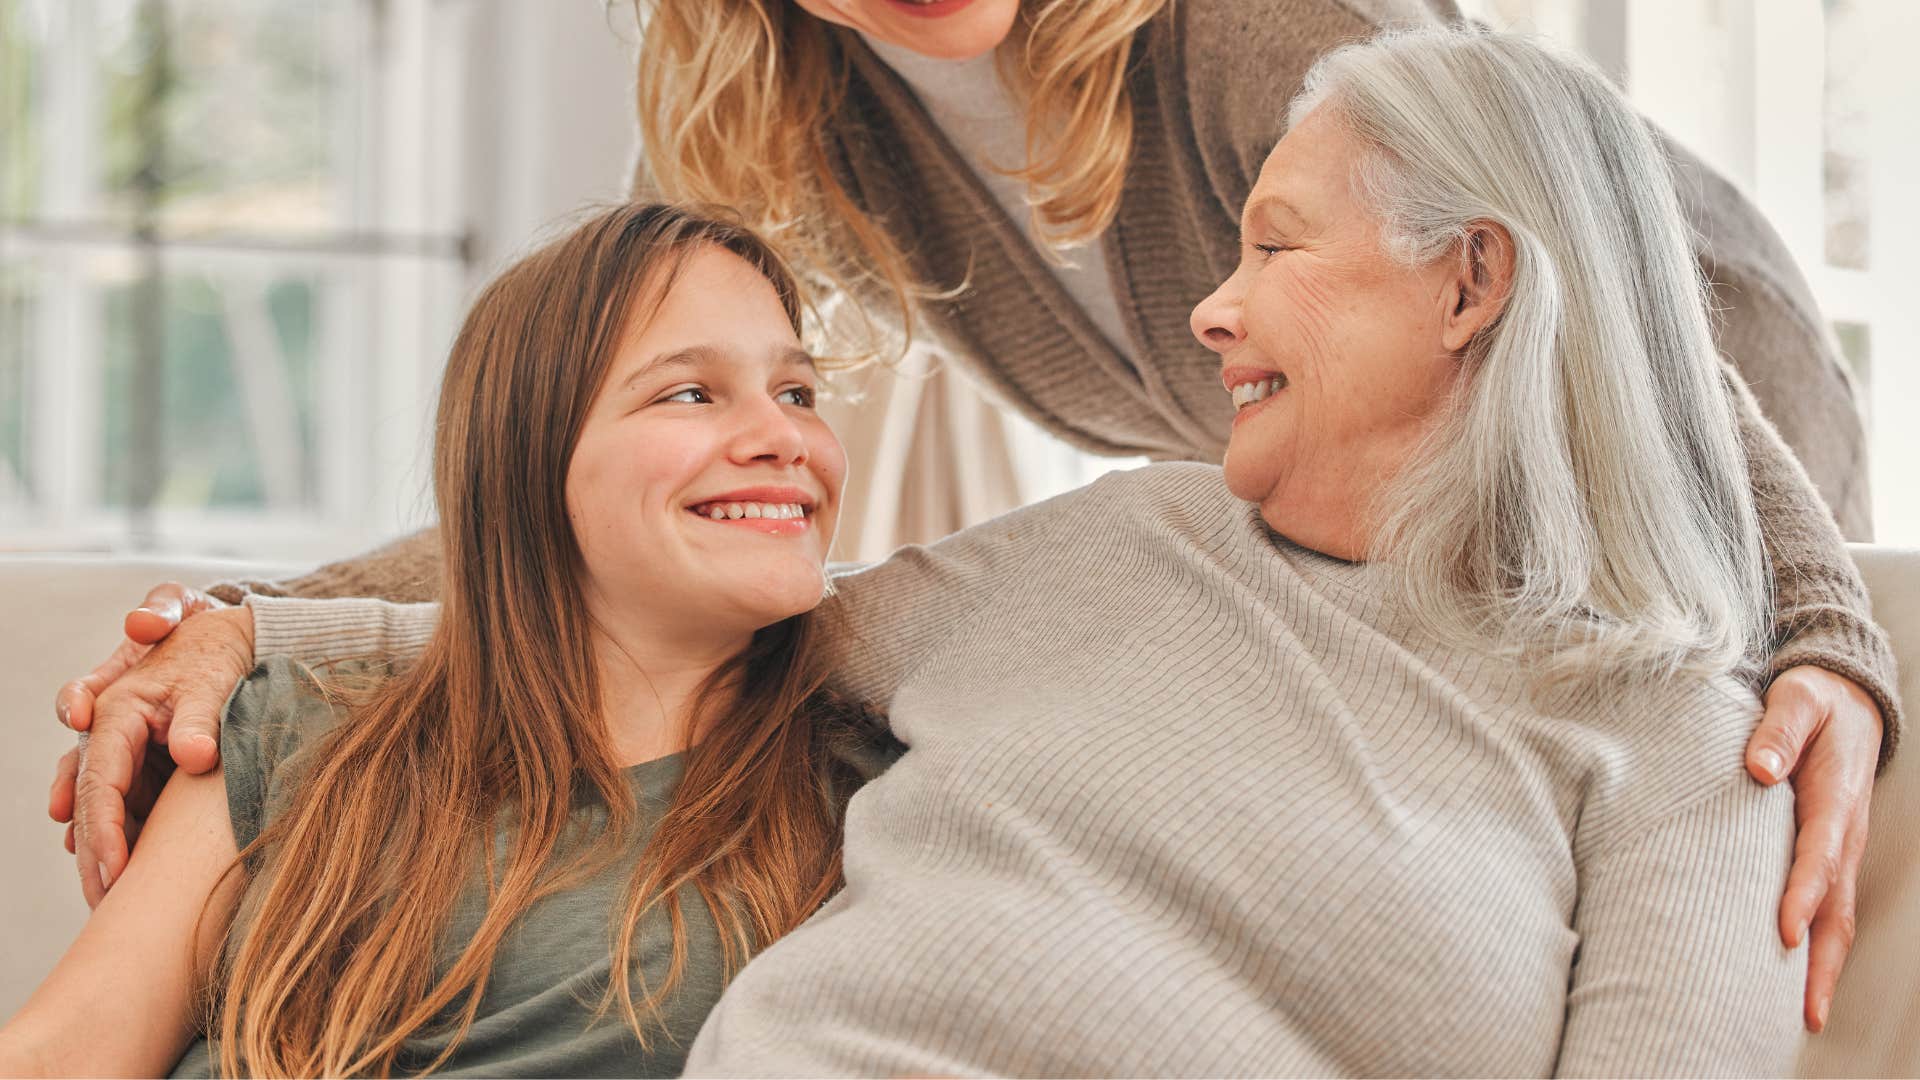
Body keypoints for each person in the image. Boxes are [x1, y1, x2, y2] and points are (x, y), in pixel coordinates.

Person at [52, 0, 1897, 1031]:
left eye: (1268, 256)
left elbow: (1631, 335)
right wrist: (272, 616)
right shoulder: (783, 111)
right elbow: (602, 500)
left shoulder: (1269, 42)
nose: (1210, 300)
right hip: (1309, 514)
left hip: (1731, 445)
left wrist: (1830, 633)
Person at [2, 203, 889, 1076]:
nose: (784, 436)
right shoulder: (287, 723)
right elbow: (65, 1055)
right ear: (526, 457)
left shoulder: (875, 796)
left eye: (797, 392)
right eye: (690, 392)